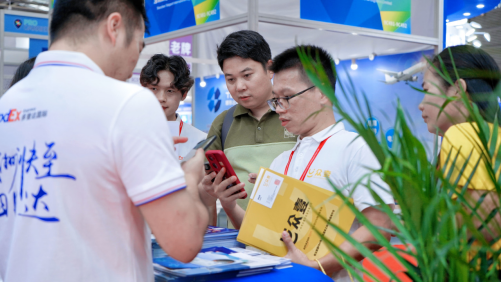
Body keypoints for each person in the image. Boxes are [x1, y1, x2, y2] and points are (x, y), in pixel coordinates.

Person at [0, 1, 209, 281]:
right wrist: (190, 178)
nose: (136, 59)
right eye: (138, 44)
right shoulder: (128, 103)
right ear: (115, 27)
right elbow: (184, 242)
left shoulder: (7, 104)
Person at [208, 45, 395, 281]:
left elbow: (379, 227)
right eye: (275, 100)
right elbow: (259, 232)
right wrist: (229, 204)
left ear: (323, 93)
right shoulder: (282, 161)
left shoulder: (355, 148)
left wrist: (316, 266)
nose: (280, 109)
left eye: (287, 97)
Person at [200, 30, 298, 226]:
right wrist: (207, 191)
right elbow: (206, 187)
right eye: (231, 79)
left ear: (270, 68)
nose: (239, 86)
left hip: (292, 236)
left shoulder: (296, 115)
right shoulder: (223, 123)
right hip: (238, 244)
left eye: (247, 75)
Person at [419, 45, 500, 245]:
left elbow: (487, 222)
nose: (421, 104)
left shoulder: (464, 135)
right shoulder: (491, 135)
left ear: (457, 89)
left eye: (426, 90)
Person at [140, 54, 206, 162]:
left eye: (170, 91)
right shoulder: (127, 134)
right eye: (154, 88)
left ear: (183, 94)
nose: (161, 98)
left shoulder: (200, 140)